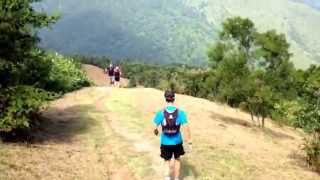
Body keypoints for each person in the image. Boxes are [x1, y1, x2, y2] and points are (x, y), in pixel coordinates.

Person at [153, 90, 192, 180]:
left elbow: (154, 128)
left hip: (165, 142)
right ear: (174, 99)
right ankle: (177, 178)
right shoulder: (180, 112)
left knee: (166, 161)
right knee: (177, 159)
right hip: (177, 141)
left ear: (165, 99)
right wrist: (189, 142)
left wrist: (156, 131)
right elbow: (187, 128)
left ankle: (167, 178)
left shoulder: (161, 113)